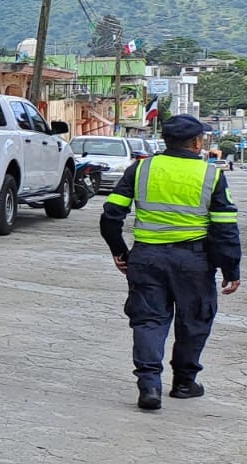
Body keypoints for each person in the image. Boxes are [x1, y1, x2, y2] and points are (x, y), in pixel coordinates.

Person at [101, 114, 240, 411]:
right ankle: (184, 383)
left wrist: (121, 251)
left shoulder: (141, 169)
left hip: (147, 257)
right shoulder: (210, 174)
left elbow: (111, 216)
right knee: (194, 320)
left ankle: (149, 386)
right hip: (194, 260)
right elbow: (225, 227)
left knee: (149, 321)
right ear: (198, 142)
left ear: (165, 140)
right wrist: (230, 268)